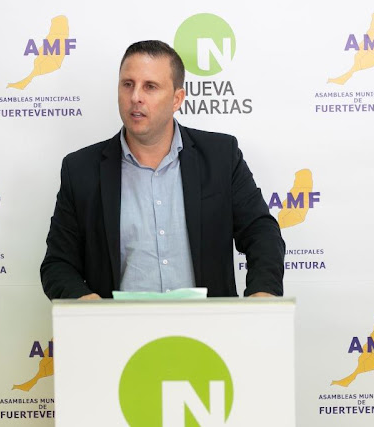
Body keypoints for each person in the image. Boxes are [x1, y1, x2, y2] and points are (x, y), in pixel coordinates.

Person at [41, 40, 284, 300]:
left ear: (177, 99)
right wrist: (85, 301)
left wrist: (263, 293)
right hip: (120, 324)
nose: (135, 97)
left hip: (208, 323)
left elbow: (261, 232)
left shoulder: (221, 156)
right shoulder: (81, 170)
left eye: (150, 86)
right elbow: (58, 264)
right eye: (128, 84)